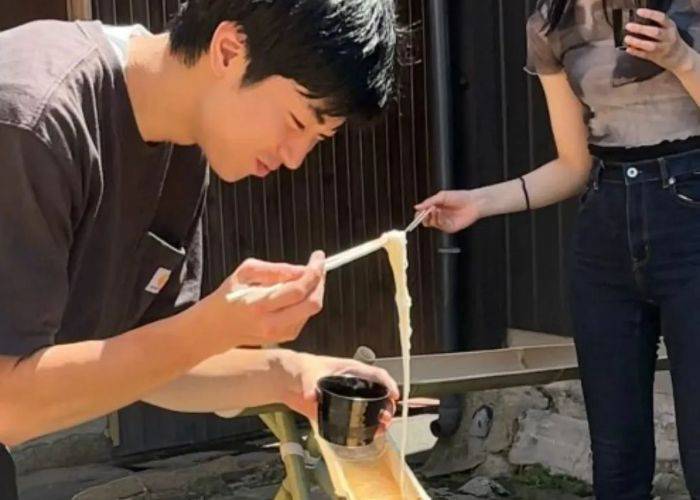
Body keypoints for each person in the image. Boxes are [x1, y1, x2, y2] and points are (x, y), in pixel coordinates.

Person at [0, 0, 400, 494]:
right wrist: (210, 326)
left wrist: (291, 372)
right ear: (229, 50)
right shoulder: (33, 119)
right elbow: (7, 404)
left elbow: (154, 363)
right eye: (298, 123)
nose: (295, 158)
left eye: (318, 139)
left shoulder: (185, 139)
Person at [416, 0, 700, 498]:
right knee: (615, 456)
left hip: (691, 218)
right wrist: (478, 202)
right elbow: (573, 164)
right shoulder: (551, 24)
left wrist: (680, 57)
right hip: (604, 238)